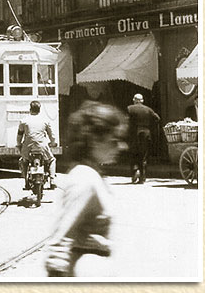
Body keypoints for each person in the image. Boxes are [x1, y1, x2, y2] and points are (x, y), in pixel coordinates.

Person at [44, 100, 128, 278]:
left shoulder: (94, 174)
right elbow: (59, 242)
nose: (122, 146)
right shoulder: (84, 178)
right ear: (94, 140)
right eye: (114, 140)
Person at [17, 100, 57, 191]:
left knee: (24, 160)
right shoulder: (45, 121)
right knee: (51, 160)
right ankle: (52, 180)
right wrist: (53, 142)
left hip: (28, 146)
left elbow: (19, 136)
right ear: (40, 110)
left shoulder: (23, 121)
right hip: (42, 146)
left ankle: (26, 181)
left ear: (30, 109)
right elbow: (52, 135)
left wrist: (19, 144)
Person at [127, 93, 160, 184]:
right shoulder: (148, 109)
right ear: (142, 101)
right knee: (143, 156)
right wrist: (150, 127)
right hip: (145, 134)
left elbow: (126, 120)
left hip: (134, 134)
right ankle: (142, 177)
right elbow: (157, 118)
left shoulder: (130, 109)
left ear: (134, 100)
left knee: (133, 154)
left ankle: (134, 174)